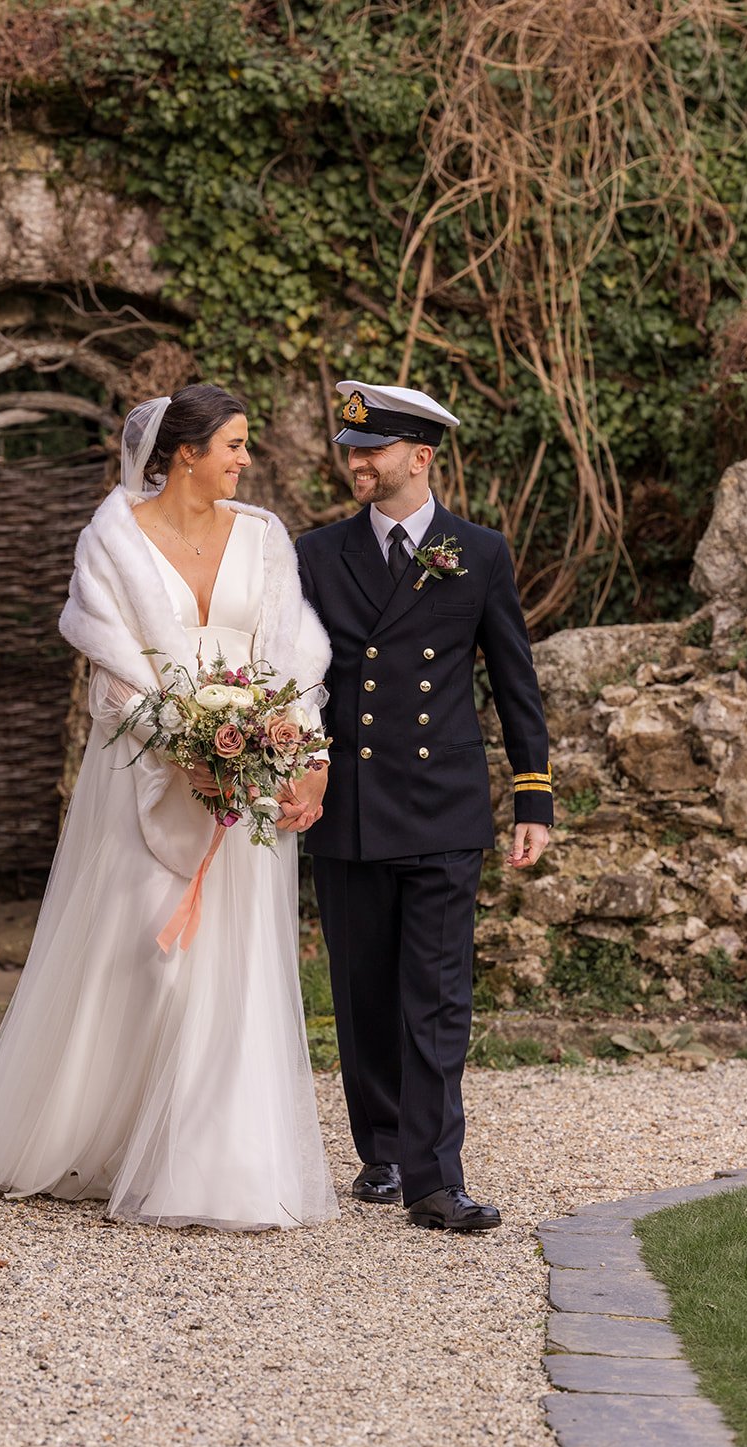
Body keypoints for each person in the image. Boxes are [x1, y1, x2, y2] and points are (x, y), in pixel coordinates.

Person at [0, 385, 339, 1231]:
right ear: (184, 452)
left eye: (245, 444)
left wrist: (305, 753)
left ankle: (218, 1162)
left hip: (251, 755)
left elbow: (290, 650)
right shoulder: (112, 537)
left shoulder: (262, 538)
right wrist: (185, 747)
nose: (245, 459)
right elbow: (112, 667)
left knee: (234, 953)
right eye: (232, 444)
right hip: (148, 765)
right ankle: (99, 1137)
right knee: (142, 949)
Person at [290, 381, 552, 1232]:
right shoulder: (315, 554)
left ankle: (436, 1180)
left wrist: (533, 796)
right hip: (351, 806)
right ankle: (383, 1154)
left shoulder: (477, 550)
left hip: (442, 804)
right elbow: (292, 678)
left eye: (372, 450)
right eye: (351, 449)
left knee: (436, 996)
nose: (357, 462)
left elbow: (513, 679)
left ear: (420, 457)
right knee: (363, 992)